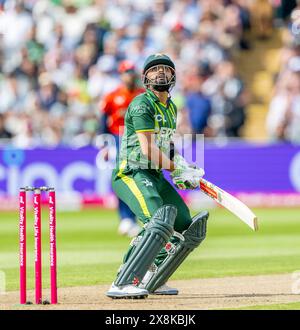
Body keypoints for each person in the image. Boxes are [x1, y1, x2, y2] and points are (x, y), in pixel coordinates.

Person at [106, 54, 209, 299]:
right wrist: (175, 168)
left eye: (165, 69)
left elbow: (164, 145)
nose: (160, 73)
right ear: (145, 78)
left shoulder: (171, 106)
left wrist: (184, 165)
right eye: (154, 70)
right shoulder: (142, 103)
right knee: (158, 222)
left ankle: (153, 275)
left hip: (154, 174)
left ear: (173, 76)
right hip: (131, 172)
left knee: (184, 225)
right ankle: (123, 279)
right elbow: (148, 148)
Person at [99, 60, 144, 237]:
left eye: (132, 72)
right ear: (121, 75)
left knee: (138, 179)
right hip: (117, 140)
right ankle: (125, 218)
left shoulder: (142, 95)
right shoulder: (112, 96)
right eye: (126, 72)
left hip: (139, 140)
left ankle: (134, 217)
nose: (129, 75)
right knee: (122, 178)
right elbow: (102, 124)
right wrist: (104, 145)